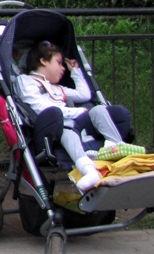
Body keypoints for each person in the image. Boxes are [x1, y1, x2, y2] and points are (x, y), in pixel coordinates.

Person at [15, 40, 144, 192]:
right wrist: (77, 112)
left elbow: (84, 95)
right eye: (59, 63)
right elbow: (40, 107)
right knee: (64, 125)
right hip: (49, 128)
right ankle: (88, 170)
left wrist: (76, 72)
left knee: (97, 110)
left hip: (69, 121)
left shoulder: (56, 88)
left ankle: (116, 148)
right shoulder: (25, 81)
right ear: (43, 61)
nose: (63, 68)